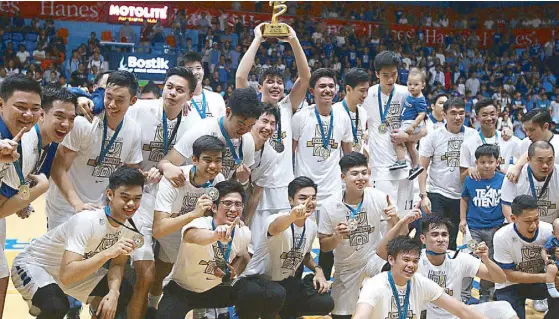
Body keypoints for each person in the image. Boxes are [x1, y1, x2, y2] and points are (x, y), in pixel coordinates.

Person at [11, 166, 144, 319]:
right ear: (110, 194)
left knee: (121, 292)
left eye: (137, 198)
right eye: (125, 198)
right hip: (36, 265)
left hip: (70, 271)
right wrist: (107, 253)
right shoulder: (87, 221)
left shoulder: (134, 224)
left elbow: (118, 264)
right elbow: (67, 275)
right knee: (55, 306)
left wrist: (113, 293)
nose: (131, 204)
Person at [236, 23, 310, 247]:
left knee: (280, 249)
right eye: (270, 81)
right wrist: (257, 38)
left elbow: (305, 78)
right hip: (256, 189)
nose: (276, 85)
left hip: (284, 191)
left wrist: (293, 40)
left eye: (279, 82)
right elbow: (240, 77)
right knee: (253, 248)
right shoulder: (252, 108)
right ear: (259, 87)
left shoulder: (287, 107)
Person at [47, 70, 143, 230]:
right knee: (64, 255)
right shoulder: (83, 123)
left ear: (132, 101)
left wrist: (141, 176)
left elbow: (129, 171)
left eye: (120, 100)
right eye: (109, 97)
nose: (112, 104)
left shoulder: (134, 129)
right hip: (66, 207)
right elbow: (58, 168)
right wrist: (77, 204)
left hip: (101, 209)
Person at [379, 214, 517, 319]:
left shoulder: (459, 258)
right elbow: (381, 252)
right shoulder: (414, 261)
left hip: (455, 315)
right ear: (423, 239)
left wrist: (486, 259)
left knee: (503, 308)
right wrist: (402, 222)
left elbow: (500, 278)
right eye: (434, 235)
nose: (440, 239)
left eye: (444, 234)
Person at [238, 176, 334, 318]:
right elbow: (275, 228)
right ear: (290, 200)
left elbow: (305, 255)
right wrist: (292, 217)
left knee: (325, 302)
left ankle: (287, 313)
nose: (309, 202)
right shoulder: (276, 218)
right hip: (258, 281)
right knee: (276, 293)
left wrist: (318, 270)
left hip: (286, 283)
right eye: (303, 198)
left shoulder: (312, 226)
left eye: (313, 198)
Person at [155, 180, 253, 319]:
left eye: (238, 204)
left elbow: (243, 255)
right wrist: (215, 235)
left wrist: (233, 270)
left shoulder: (244, 232)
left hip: (215, 290)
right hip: (182, 289)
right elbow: (192, 236)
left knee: (254, 292)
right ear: (214, 207)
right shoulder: (198, 223)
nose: (233, 209)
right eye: (227, 203)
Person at [150, 135, 226, 313]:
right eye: (207, 160)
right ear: (194, 159)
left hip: (190, 231)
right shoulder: (174, 179)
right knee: (160, 271)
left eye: (218, 160)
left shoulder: (219, 180)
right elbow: (158, 230)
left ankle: (202, 312)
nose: (213, 166)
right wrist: (194, 213)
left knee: (201, 263)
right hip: (162, 226)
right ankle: (152, 307)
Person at [318, 152, 399, 319]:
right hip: (346, 266)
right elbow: (324, 246)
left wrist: (395, 219)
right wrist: (337, 237)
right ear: (343, 177)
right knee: (340, 315)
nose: (361, 178)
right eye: (355, 174)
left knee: (395, 268)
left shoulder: (379, 197)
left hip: (373, 259)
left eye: (364, 172)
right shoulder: (329, 206)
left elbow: (400, 235)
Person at [354, 234, 488, 319]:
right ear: (391, 260)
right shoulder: (374, 285)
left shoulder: (420, 283)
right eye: (406, 260)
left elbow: (461, 310)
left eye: (415, 261)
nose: (411, 265)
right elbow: (361, 316)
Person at [362, 51, 426, 222]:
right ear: (376, 74)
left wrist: (406, 136)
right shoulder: (368, 94)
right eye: (385, 75)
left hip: (405, 169)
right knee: (384, 220)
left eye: (394, 74)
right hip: (381, 169)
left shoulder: (407, 93)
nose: (390, 79)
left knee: (404, 220)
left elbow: (424, 130)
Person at [0, 74, 43, 318]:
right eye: (20, 107)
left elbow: (22, 180)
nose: (28, 114)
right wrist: (37, 190)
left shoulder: (30, 137)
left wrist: (25, 196)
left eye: (34, 109)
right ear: (1, 104)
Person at [158, 87, 262, 184]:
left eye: (250, 126)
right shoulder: (202, 130)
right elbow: (165, 162)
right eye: (241, 124)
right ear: (228, 112)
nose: (245, 130)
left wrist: (243, 181)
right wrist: (168, 167)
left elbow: (239, 182)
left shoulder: (247, 140)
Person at [419, 96, 477, 250]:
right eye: (453, 113)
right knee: (435, 234)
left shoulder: (473, 135)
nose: (458, 117)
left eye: (461, 113)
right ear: (444, 115)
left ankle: (448, 271)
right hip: (438, 193)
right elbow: (422, 167)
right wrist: (423, 195)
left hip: (462, 197)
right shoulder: (434, 136)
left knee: (451, 240)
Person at [493, 195, 559, 319]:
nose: (533, 225)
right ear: (513, 218)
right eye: (528, 221)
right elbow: (510, 275)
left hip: (539, 281)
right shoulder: (501, 237)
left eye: (536, 219)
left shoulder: (549, 230)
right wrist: (546, 277)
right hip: (510, 285)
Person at [459, 144, 505, 301]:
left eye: (490, 161)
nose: (486, 165)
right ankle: (464, 294)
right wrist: (463, 219)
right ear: (476, 163)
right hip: (474, 229)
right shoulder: (470, 179)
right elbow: (464, 199)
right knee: (469, 258)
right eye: (482, 162)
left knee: (490, 261)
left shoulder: (503, 180)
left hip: (495, 229)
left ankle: (486, 293)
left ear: (497, 162)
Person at [501, 140, 559, 224]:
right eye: (540, 160)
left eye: (550, 160)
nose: (545, 165)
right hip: (521, 224)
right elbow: (506, 205)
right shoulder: (513, 175)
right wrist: (517, 228)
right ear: (528, 160)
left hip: (551, 226)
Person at [460, 98, 519, 179]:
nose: (489, 118)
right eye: (484, 115)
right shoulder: (468, 143)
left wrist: (516, 168)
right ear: (477, 118)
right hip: (479, 189)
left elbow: (528, 154)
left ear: (497, 115)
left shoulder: (508, 139)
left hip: (504, 189)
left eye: (492, 114)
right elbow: (462, 178)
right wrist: (469, 170)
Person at [391, 68, 427, 180]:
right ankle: (416, 166)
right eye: (410, 84)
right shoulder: (410, 95)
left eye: (416, 84)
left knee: (396, 138)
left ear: (423, 85)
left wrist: (413, 126)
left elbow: (422, 114)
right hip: (407, 122)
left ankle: (401, 160)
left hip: (411, 123)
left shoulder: (419, 99)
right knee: (411, 145)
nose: (412, 87)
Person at [507, 109, 559, 183]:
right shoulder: (525, 143)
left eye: (532, 130)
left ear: (545, 126)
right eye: (526, 130)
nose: (528, 134)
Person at [178, 52, 226, 121]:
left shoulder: (217, 98)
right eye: (190, 69)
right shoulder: (178, 100)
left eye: (198, 68)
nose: (195, 72)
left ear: (203, 71)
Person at [332, 68, 369, 156]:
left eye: (367, 90)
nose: (365, 95)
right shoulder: (334, 111)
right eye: (362, 90)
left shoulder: (363, 112)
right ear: (348, 89)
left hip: (357, 165)